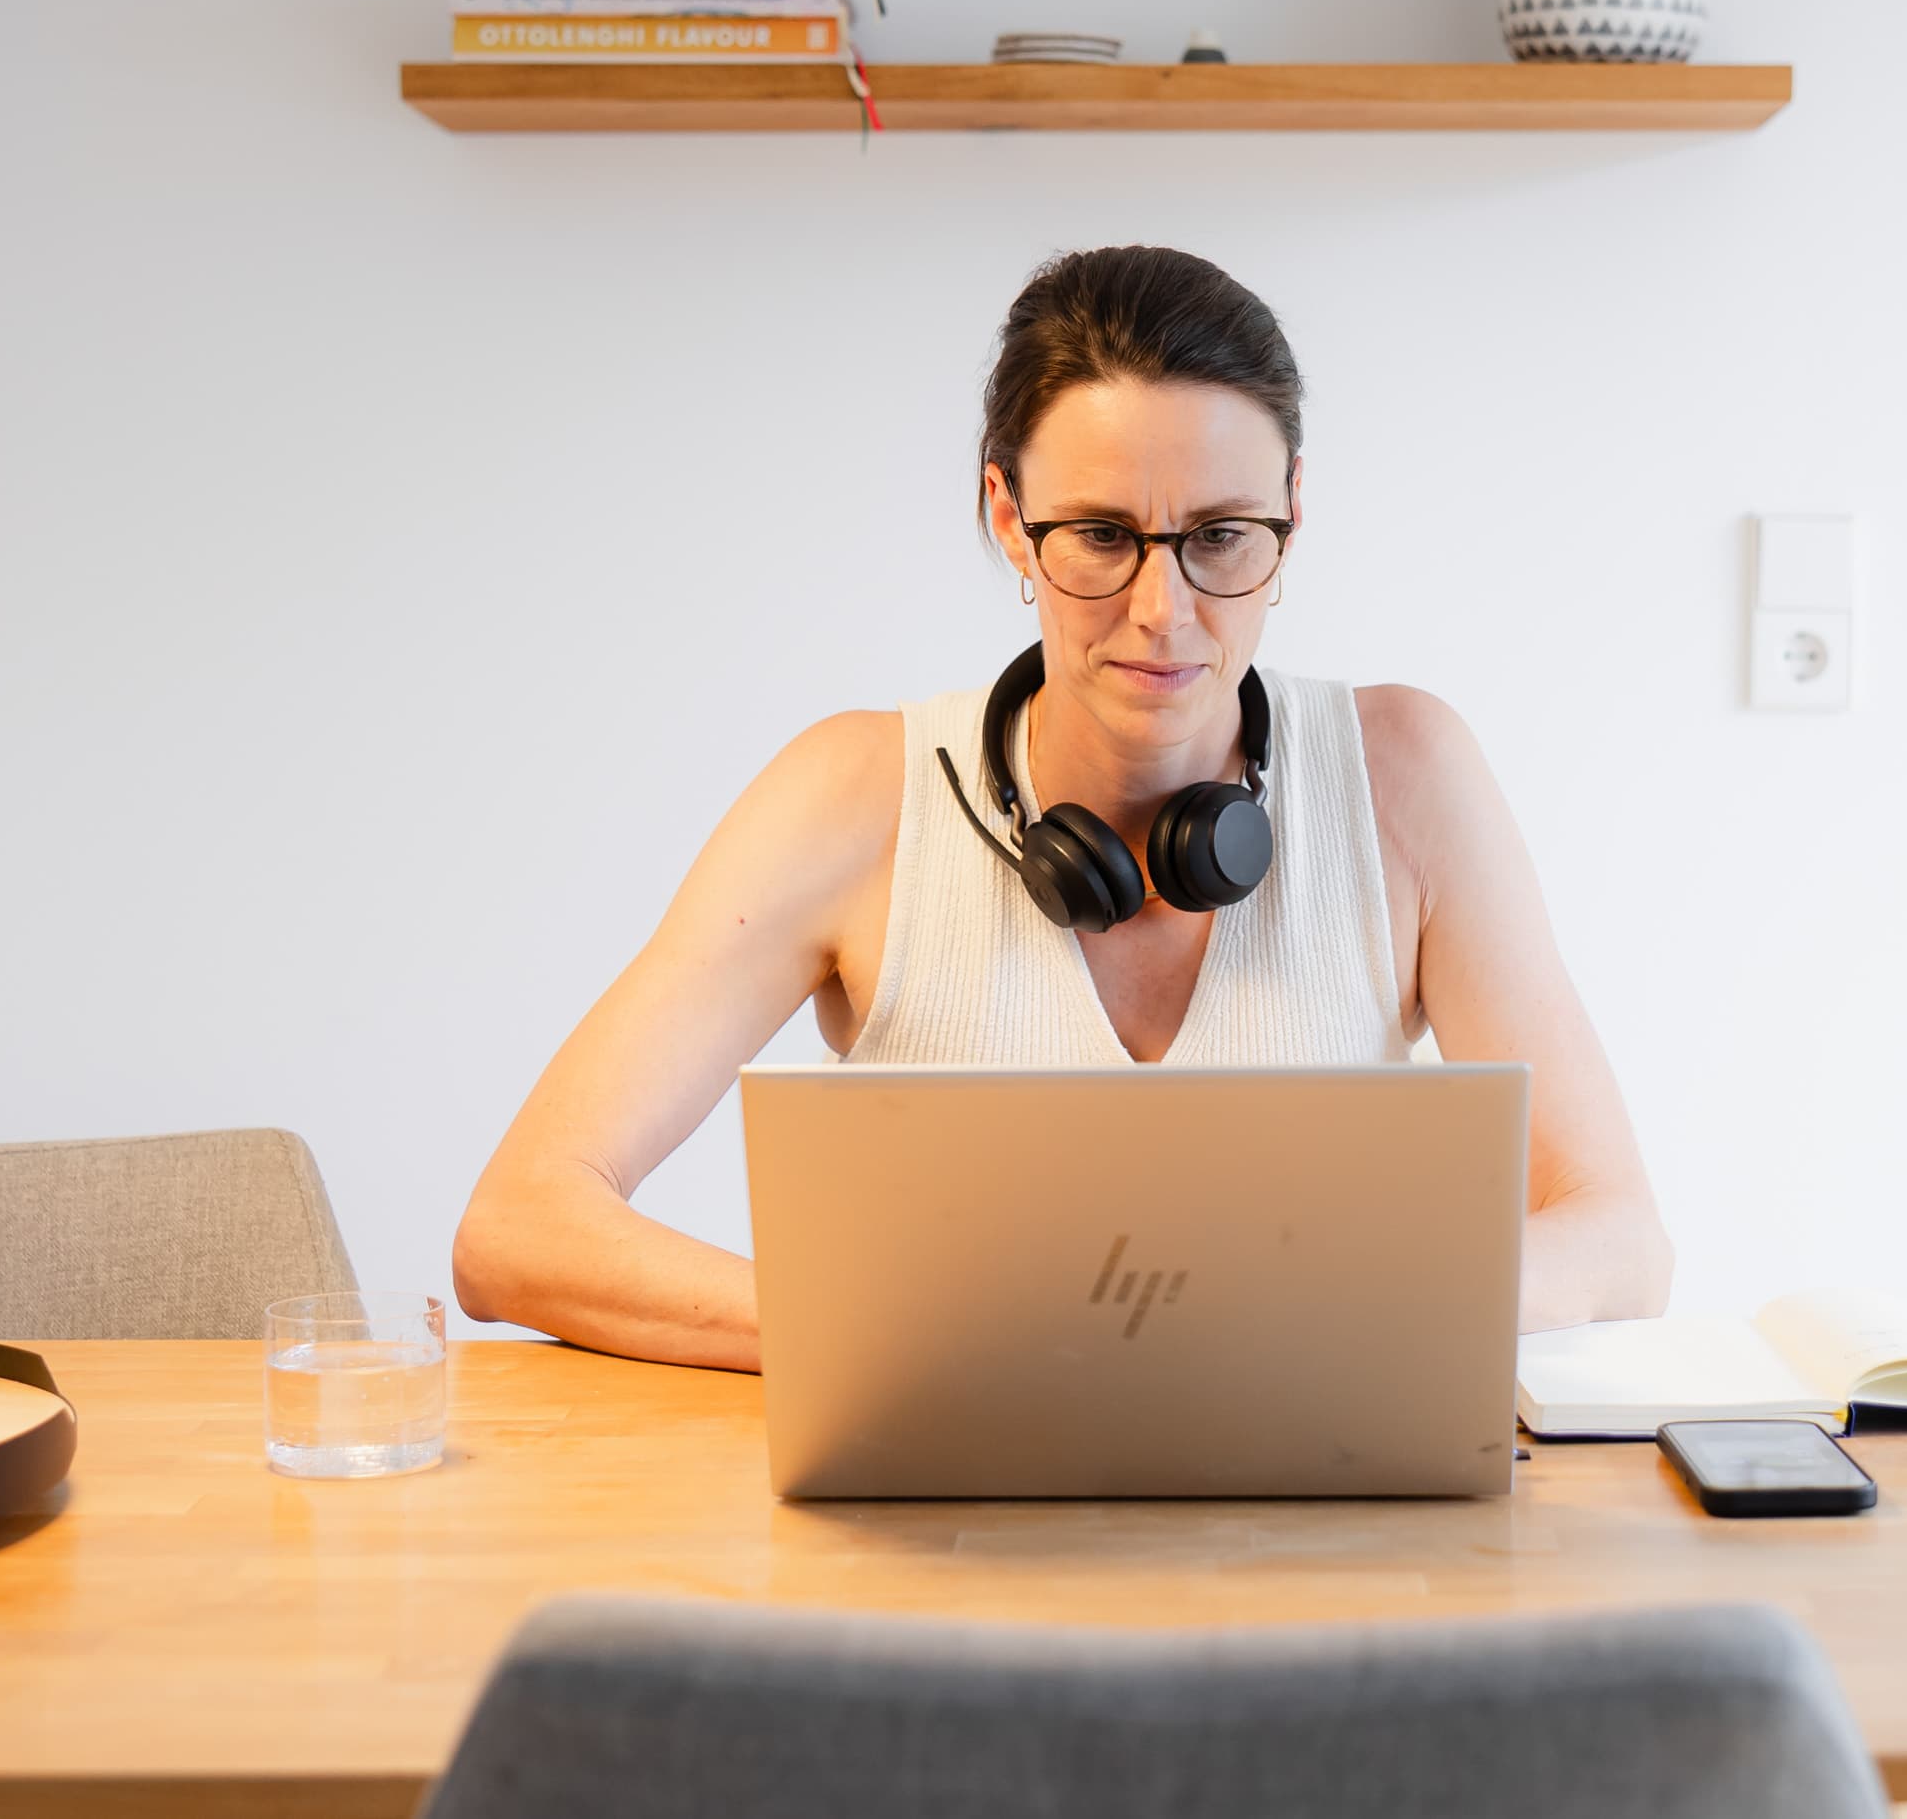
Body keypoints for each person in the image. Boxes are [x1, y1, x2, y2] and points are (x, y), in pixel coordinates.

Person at [453, 244, 1673, 1367]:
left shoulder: (1407, 773)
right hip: (943, 1522)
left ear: (1292, 517)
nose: (1163, 609)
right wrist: (895, 1334)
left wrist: (1338, 1310)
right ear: (1007, 518)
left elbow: (1618, 1236)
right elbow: (518, 1226)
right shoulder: (852, 795)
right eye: (1099, 535)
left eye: (1222, 536)